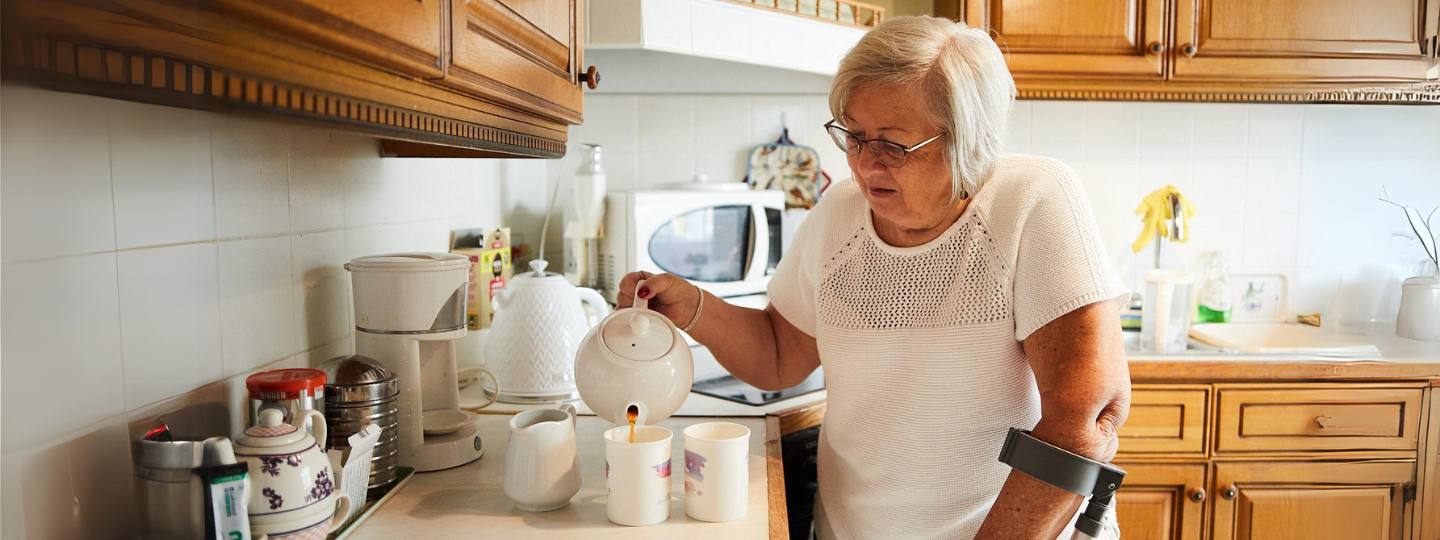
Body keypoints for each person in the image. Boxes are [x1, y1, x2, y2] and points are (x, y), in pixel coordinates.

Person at [617, 15, 1130, 540]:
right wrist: (695, 307)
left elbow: (1083, 420)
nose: (865, 165)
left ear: (966, 140)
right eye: (854, 137)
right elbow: (778, 353)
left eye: (893, 145)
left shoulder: (1033, 201)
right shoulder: (839, 212)